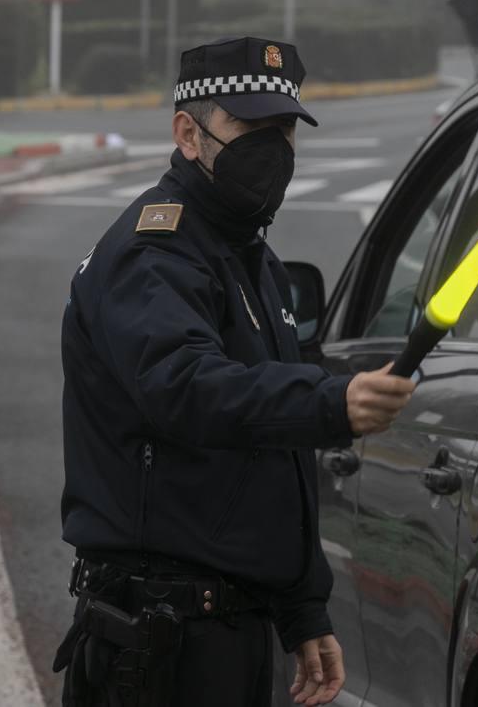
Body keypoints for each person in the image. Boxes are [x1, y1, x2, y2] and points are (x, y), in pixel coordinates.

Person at [53, 36, 416, 707]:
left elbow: (269, 458)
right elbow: (186, 388)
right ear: (187, 133)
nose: (272, 149)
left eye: (282, 129)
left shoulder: (246, 253)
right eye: (249, 128)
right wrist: (329, 401)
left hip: (227, 625)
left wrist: (301, 608)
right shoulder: (155, 254)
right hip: (161, 643)